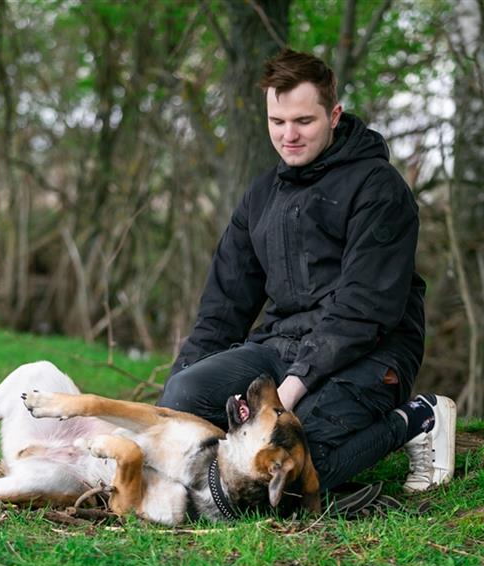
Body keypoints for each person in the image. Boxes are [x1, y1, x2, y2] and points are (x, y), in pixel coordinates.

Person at [158, 49, 456, 495]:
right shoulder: (261, 195)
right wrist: (166, 412)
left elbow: (364, 308)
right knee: (183, 400)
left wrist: (288, 395)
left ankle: (419, 419)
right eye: (277, 122)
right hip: (280, 346)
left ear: (334, 115)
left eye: (303, 121)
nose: (289, 135)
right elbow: (224, 306)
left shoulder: (378, 188)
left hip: (371, 354)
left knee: (290, 470)